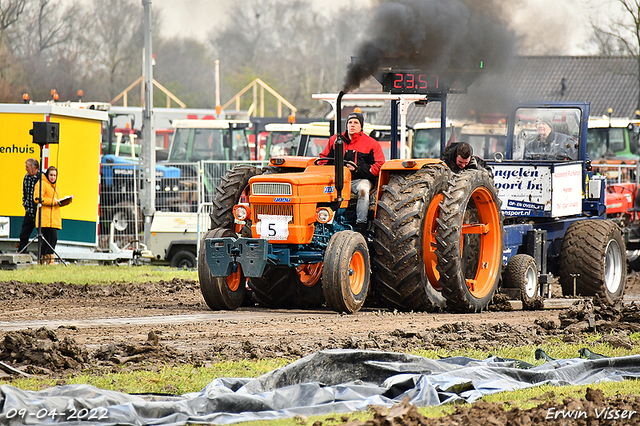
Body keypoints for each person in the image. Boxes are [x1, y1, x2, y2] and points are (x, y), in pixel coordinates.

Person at [319, 112, 385, 231]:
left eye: (356, 123)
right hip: (338, 179)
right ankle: (324, 221)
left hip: (358, 179)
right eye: (350, 122)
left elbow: (378, 165)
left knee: (363, 190)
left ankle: (361, 224)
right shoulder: (335, 140)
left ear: (361, 126)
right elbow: (323, 159)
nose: (352, 125)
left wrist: (358, 169)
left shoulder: (371, 144)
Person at [33, 166, 73, 264]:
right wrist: (52, 202)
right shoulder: (41, 184)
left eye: (55, 175)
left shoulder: (55, 187)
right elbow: (37, 198)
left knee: (51, 239)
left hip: (53, 218)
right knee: (49, 239)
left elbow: (56, 203)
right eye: (51, 175)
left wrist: (66, 201)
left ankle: (45, 259)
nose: (53, 177)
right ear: (47, 175)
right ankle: (46, 259)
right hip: (45, 218)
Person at [18, 158, 40, 253]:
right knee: (24, 234)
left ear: (34, 167)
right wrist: (25, 205)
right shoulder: (26, 177)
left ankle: (43, 256)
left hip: (39, 212)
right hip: (29, 212)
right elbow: (25, 193)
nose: (26, 169)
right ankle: (21, 252)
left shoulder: (42, 178)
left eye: (27, 167)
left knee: (42, 235)